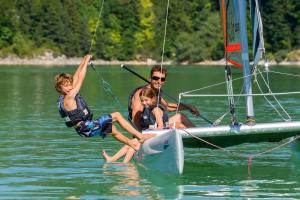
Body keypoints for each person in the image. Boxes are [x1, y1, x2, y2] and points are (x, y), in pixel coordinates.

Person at [54, 54, 147, 151]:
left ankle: (133, 144)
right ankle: (140, 136)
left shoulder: (65, 96)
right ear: (59, 88)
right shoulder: (69, 97)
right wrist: (86, 62)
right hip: (86, 127)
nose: (69, 87)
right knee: (117, 115)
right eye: (65, 86)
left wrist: (84, 60)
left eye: (70, 84)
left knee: (112, 129)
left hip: (83, 129)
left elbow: (76, 77)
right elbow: (80, 78)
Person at [128, 65, 200, 130]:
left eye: (162, 79)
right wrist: (141, 135)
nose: (159, 81)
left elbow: (167, 106)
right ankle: (196, 140)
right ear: (150, 79)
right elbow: (135, 116)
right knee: (178, 125)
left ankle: (201, 135)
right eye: (156, 78)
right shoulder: (142, 93)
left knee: (180, 116)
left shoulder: (156, 92)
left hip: (155, 124)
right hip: (145, 129)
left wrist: (189, 107)